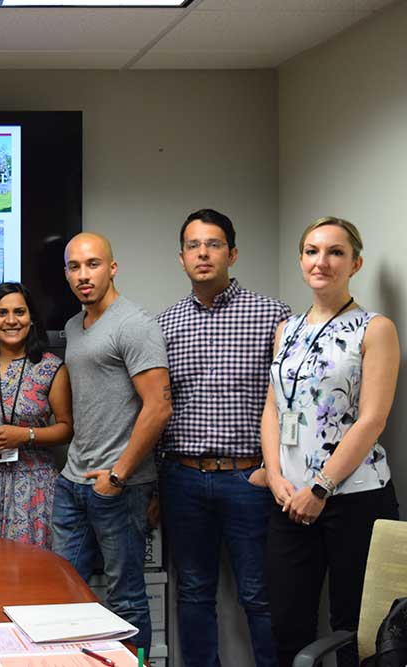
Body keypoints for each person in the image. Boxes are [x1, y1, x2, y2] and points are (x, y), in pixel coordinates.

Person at [261, 217, 400, 667]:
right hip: (289, 500)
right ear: (301, 260)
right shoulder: (287, 329)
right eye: (312, 251)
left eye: (336, 252)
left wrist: (320, 487)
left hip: (353, 498)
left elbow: (372, 419)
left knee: (354, 627)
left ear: (355, 263)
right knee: (287, 623)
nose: (322, 261)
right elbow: (273, 410)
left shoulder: (375, 328)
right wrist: (277, 476)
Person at [157, 210, 289, 667]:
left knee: (260, 594)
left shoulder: (274, 315)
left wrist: (272, 472)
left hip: (248, 478)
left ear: (232, 253)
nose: (203, 253)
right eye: (193, 246)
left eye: (213, 244)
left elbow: (290, 402)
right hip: (183, 478)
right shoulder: (165, 324)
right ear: (181, 258)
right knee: (193, 594)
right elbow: (159, 406)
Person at [50, 233, 171, 658]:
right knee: (63, 590)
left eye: (93, 264)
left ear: (112, 268)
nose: (83, 275)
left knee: (126, 598)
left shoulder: (134, 324)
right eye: (74, 267)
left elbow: (158, 407)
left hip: (119, 485)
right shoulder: (73, 326)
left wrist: (119, 475)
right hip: (74, 481)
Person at [0, 283, 72, 548]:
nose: (11, 321)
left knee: (31, 573)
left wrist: (26, 435)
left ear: (31, 319)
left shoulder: (50, 368)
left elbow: (67, 428)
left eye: (19, 312)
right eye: (1, 313)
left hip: (33, 486)